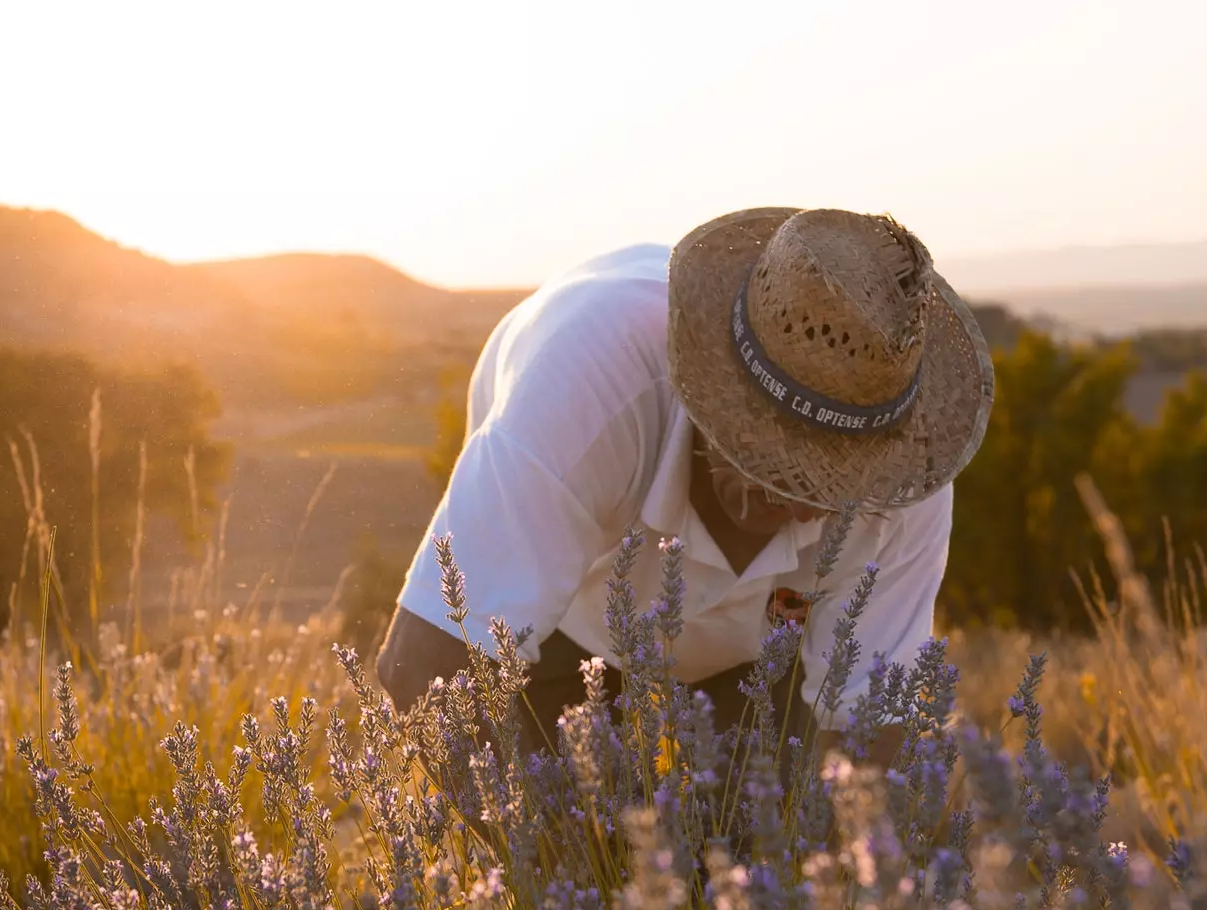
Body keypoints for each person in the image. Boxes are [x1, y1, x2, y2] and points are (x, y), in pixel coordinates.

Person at [375, 206, 994, 775]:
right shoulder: (586, 387)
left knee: (752, 856)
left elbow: (869, 733)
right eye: (766, 458)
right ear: (707, 387)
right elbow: (424, 667)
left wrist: (851, 877)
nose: (802, 506)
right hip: (569, 628)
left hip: (753, 662)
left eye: (831, 484)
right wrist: (569, 875)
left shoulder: (905, 479)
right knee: (575, 840)